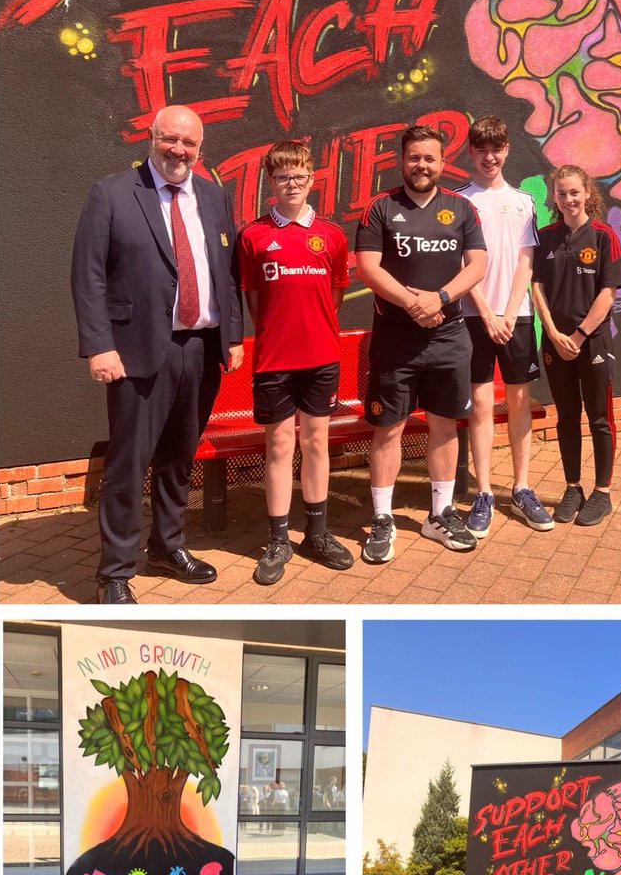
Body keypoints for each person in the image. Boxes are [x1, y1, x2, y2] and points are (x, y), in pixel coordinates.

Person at [71, 104, 243, 604]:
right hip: (137, 350)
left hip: (200, 347)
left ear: (200, 149)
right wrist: (99, 345)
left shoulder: (212, 195)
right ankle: (115, 573)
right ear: (151, 137)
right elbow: (88, 276)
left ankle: (168, 546)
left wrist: (231, 334)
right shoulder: (112, 193)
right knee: (129, 464)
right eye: (170, 139)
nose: (178, 150)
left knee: (178, 458)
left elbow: (225, 271)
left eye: (189, 143)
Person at [355, 124, 487, 562]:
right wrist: (413, 302)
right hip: (396, 339)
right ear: (402, 160)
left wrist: (441, 298)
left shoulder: (461, 208)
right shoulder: (381, 207)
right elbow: (368, 268)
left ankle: (440, 513)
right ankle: (382, 518)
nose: (422, 165)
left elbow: (478, 266)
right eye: (414, 157)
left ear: (443, 162)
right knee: (388, 429)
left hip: (449, 335)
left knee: (444, 425)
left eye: (430, 158)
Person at [237, 140, 353, 584]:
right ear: (271, 181)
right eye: (283, 177)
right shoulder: (253, 236)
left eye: (300, 177)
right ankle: (279, 538)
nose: (292, 184)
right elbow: (253, 299)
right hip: (274, 359)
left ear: (311, 179)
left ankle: (318, 534)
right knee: (280, 447)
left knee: (318, 444)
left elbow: (335, 296)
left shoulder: (333, 235)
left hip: (321, 356)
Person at [453, 115, 552, 536]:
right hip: (474, 317)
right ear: (471, 153)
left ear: (506, 150)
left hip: (517, 317)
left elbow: (526, 260)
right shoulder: (458, 201)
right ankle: (484, 493)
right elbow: (460, 262)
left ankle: (523, 487)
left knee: (517, 403)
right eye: (481, 149)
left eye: (496, 149)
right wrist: (488, 312)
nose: (489, 157)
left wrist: (511, 311)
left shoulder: (524, 201)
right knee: (479, 406)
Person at [532, 165, 621, 527]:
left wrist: (580, 335)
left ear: (587, 192)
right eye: (561, 194)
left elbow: (608, 292)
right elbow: (536, 287)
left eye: (574, 192)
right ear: (553, 197)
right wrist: (553, 332)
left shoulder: (604, 236)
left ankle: (602, 492)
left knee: (599, 417)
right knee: (567, 417)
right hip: (556, 341)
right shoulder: (545, 237)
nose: (568, 200)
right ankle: (573, 487)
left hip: (593, 341)